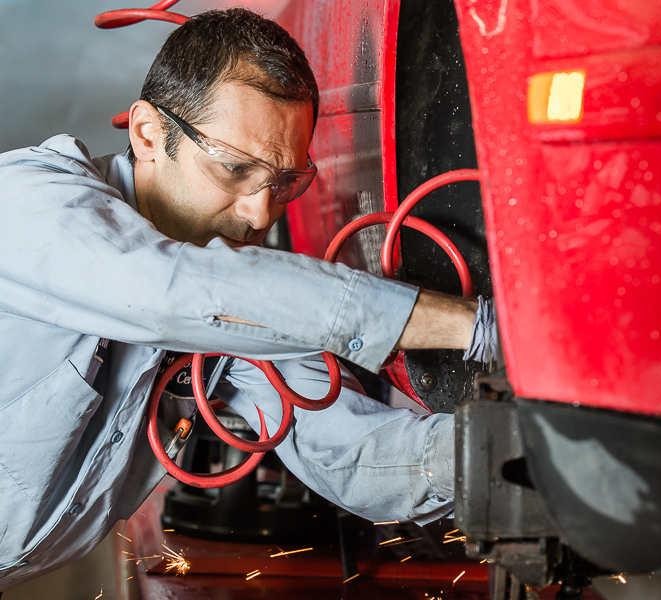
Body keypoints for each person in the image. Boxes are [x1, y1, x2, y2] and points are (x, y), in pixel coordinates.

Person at [0, 8, 496, 589]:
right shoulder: (30, 203)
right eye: (235, 170)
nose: (261, 213)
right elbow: (171, 293)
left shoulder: (233, 309)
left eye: (285, 183)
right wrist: (481, 327)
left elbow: (348, 452)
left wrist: (498, 449)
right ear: (148, 134)